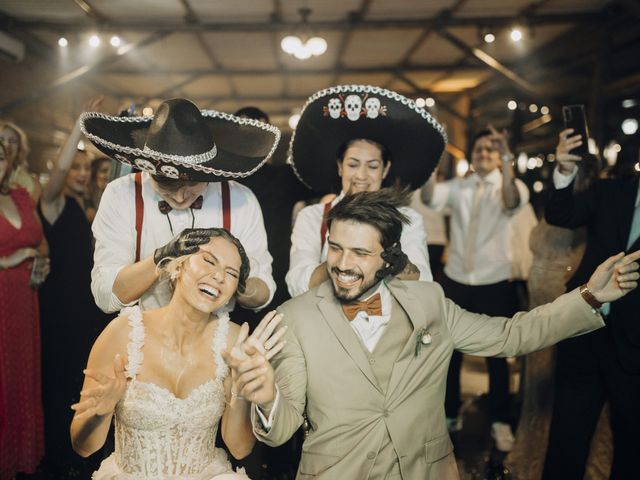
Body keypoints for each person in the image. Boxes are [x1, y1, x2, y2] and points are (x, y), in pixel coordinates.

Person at [230, 189, 639, 480]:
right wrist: (266, 398)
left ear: (389, 257)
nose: (341, 264)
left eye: (359, 253)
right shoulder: (296, 316)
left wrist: (589, 296)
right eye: (335, 249)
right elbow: (280, 429)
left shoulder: (429, 301)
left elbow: (512, 335)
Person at [70, 228, 285, 479]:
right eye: (208, 261)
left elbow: (239, 448)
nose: (218, 276)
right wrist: (100, 412)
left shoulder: (235, 342)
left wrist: (241, 384)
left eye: (231, 273)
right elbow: (83, 447)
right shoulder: (122, 333)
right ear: (178, 266)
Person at [80, 98, 280, 314]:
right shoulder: (122, 194)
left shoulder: (241, 200)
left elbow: (263, 293)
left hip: (215, 335)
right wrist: (159, 259)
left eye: (193, 183)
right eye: (166, 185)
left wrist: (238, 282)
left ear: (210, 173)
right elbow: (106, 296)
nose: (180, 196)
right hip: (141, 334)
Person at [505, 129, 610, 479]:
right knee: (536, 392)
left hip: (566, 310)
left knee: (561, 397)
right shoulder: (557, 206)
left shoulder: (589, 213)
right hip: (537, 308)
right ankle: (530, 459)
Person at [421, 127, 530, 451]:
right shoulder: (460, 186)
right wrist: (430, 162)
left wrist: (507, 156)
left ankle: (499, 419)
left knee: (497, 353)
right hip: (456, 277)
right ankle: (449, 414)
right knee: (449, 351)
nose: (483, 154)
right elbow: (430, 198)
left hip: (494, 279)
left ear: (499, 156)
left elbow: (512, 202)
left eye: (489, 150)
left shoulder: (511, 186)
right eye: (479, 149)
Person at [285, 85, 447, 297]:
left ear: (385, 169)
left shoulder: (408, 219)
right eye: (353, 165)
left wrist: (393, 261)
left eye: (372, 166)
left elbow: (423, 281)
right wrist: (343, 258)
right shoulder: (313, 217)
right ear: (340, 166)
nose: (361, 175)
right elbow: (297, 283)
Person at [543, 133, 640, 478]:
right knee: (567, 436)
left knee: (631, 446)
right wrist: (564, 170)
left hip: (635, 347)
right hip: (586, 329)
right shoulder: (611, 191)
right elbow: (560, 213)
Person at [37, 98, 110, 478]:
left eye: (86, 167)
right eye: (75, 167)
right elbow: (60, 167)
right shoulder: (51, 203)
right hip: (57, 310)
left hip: (87, 310)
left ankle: (81, 455)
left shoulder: (88, 208)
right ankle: (58, 459)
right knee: (59, 383)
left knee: (84, 384)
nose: (80, 173)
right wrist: (79, 127)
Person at [0, 141, 48, 478]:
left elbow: (40, 240)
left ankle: (16, 463)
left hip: (25, 302)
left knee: (20, 377)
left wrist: (42, 261)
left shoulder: (19, 195)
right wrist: (6, 260)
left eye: (0, 156)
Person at [0, 120, 41, 201]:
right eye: (1, 139)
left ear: (19, 148)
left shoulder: (32, 183)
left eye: (13, 141)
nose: (7, 144)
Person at [86, 156, 114, 222]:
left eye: (111, 172)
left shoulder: (110, 197)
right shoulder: (85, 196)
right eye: (104, 171)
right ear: (93, 173)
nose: (108, 175)